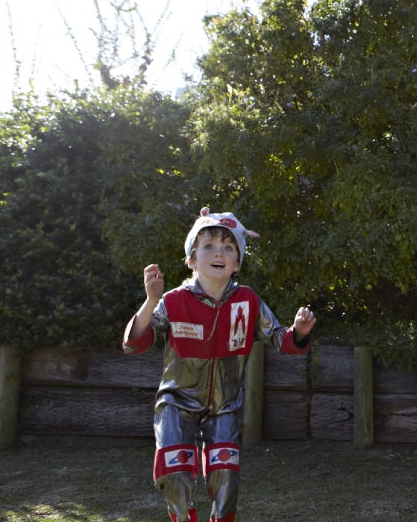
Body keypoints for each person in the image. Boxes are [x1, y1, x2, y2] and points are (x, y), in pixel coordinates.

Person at [123, 207, 316, 522]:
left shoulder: (249, 301)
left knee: (226, 477)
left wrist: (300, 332)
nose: (219, 253)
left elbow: (281, 338)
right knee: (174, 473)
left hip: (225, 405)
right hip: (176, 402)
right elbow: (134, 343)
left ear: (237, 263)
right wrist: (149, 299)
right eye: (209, 245)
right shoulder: (172, 300)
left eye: (229, 248)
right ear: (191, 258)